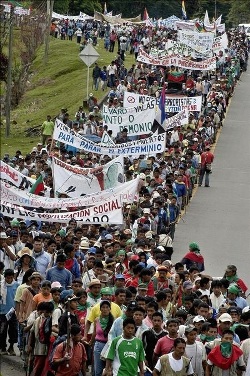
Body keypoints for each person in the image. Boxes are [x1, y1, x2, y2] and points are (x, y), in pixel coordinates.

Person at [90, 300, 114, 376]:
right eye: (103, 307)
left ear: (110, 309)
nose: (105, 309)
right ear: (100, 309)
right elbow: (94, 333)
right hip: (98, 345)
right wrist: (91, 342)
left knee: (109, 369)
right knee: (98, 369)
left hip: (109, 346)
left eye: (107, 307)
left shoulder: (114, 320)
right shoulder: (97, 320)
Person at [0, 268, 19, 355]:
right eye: (7, 278)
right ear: (5, 277)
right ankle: (3, 347)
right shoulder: (1, 286)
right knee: (3, 330)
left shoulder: (17, 285)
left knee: (13, 330)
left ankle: (11, 347)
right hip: (2, 312)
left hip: (13, 312)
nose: (9, 280)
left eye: (11, 278)